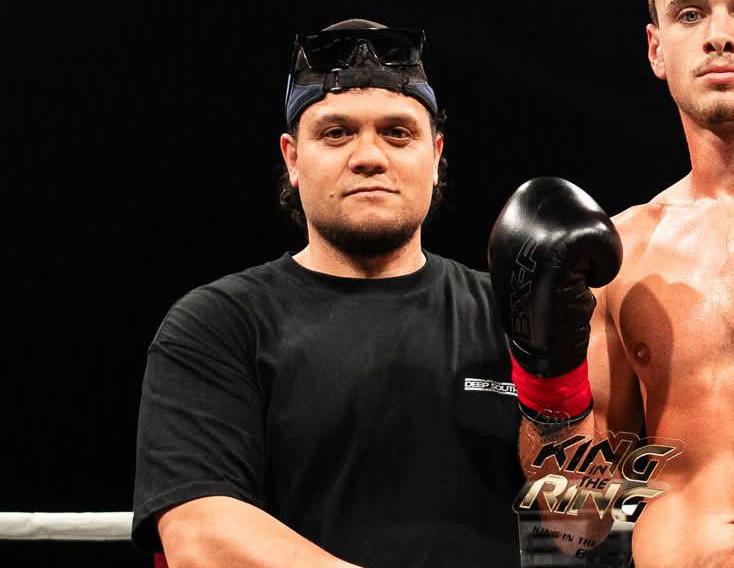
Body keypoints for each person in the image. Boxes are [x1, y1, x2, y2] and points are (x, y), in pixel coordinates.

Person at [132, 18, 527, 568]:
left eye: (397, 133)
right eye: (337, 133)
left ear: (436, 157)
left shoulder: (514, 316)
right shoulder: (218, 323)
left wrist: (557, 379)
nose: (369, 156)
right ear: (293, 158)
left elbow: (583, 516)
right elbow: (201, 536)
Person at [490, 2, 734, 567]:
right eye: (690, 14)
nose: (720, 36)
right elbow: (575, 521)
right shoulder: (622, 256)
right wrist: (546, 371)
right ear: (656, 48)